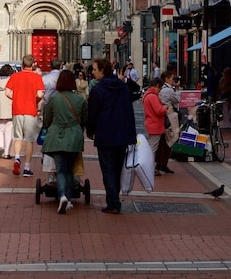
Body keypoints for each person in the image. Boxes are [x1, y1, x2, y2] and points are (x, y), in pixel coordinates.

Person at [86, 57, 137, 214]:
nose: (92, 72)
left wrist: (90, 130)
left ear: (102, 70)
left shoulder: (98, 89)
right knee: (116, 168)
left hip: (106, 134)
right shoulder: (122, 87)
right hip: (122, 134)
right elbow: (129, 108)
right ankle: (114, 198)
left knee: (107, 168)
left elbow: (92, 113)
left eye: (95, 69)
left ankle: (113, 202)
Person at [42, 70, 88, 215]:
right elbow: (85, 120)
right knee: (69, 170)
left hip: (57, 136)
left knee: (60, 169)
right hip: (74, 137)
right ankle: (68, 199)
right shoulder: (80, 99)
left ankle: (61, 195)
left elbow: (47, 120)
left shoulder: (54, 99)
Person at [6, 54, 45, 177]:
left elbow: (7, 92)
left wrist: (16, 97)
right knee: (29, 140)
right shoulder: (36, 77)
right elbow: (40, 94)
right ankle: (27, 167)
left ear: (22, 64)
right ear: (33, 64)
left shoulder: (15, 76)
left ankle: (17, 157)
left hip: (17, 110)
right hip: (30, 110)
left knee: (17, 137)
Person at [141, 77, 168, 177]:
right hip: (155, 125)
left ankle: (149, 168)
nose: (159, 91)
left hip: (150, 123)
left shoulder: (146, 95)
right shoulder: (152, 96)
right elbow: (158, 110)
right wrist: (165, 108)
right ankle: (149, 169)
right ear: (157, 86)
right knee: (153, 149)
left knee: (152, 147)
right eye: (159, 88)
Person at [157, 70, 180, 174]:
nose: (173, 81)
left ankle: (161, 163)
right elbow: (177, 100)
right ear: (166, 79)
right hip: (169, 117)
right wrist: (177, 89)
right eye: (172, 78)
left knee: (163, 140)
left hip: (162, 117)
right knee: (169, 139)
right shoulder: (169, 90)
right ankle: (162, 164)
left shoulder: (162, 89)